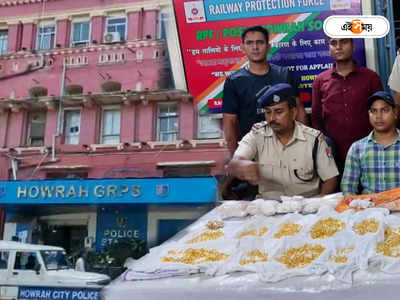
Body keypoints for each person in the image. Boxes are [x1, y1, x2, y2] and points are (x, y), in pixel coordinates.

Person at [227, 83, 339, 200]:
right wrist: (242, 165)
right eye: (268, 112)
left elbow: (330, 179)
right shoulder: (257, 135)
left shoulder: (314, 140)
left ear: (293, 113)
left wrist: (318, 205)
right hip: (268, 207)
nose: (272, 118)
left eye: (279, 112)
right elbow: (236, 162)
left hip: (305, 207)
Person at [223, 25, 308, 158]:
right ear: (243, 47)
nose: (255, 47)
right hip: (254, 150)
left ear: (268, 47)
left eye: (260, 42)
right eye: (249, 43)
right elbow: (230, 123)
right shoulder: (234, 81)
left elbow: (299, 111)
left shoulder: (284, 74)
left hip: (288, 147)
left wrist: (304, 145)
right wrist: (236, 159)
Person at [312, 38, 383, 173]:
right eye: (333, 43)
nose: (338, 47)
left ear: (353, 46)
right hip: (333, 156)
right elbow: (316, 118)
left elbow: (381, 115)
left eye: (343, 42)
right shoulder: (320, 81)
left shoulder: (371, 78)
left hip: (368, 152)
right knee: (338, 194)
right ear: (329, 48)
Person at [341, 91, 400, 195]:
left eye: (385, 110)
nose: (378, 116)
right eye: (373, 111)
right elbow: (348, 187)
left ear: (395, 113)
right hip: (368, 208)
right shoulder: (357, 148)